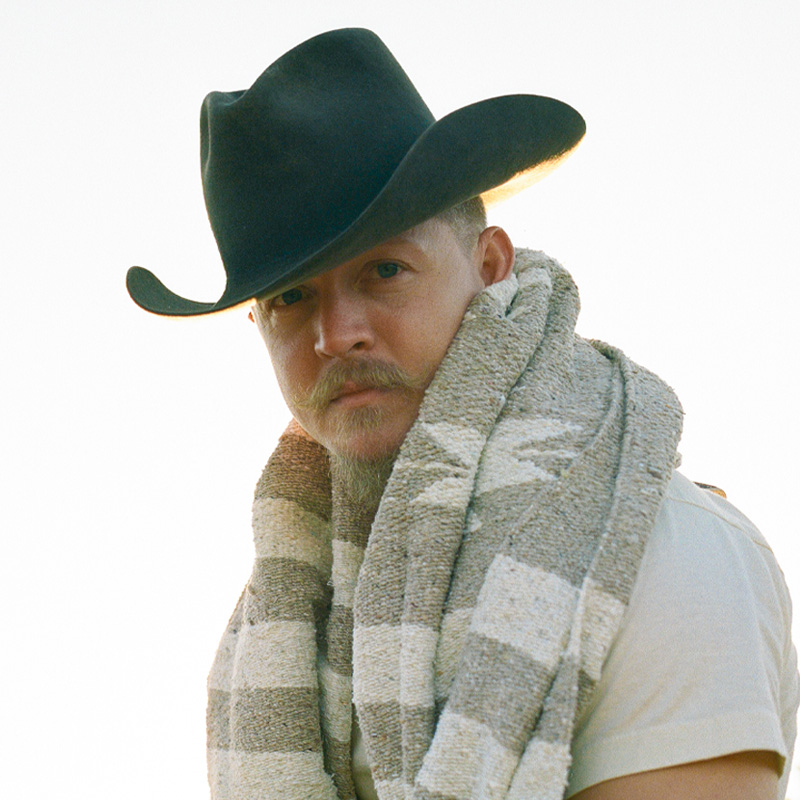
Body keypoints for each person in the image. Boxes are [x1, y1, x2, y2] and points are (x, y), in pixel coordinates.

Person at [127, 27, 798, 800]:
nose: (335, 333)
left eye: (385, 269)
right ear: (257, 325)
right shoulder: (281, 633)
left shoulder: (665, 555)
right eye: (291, 297)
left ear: (490, 265)